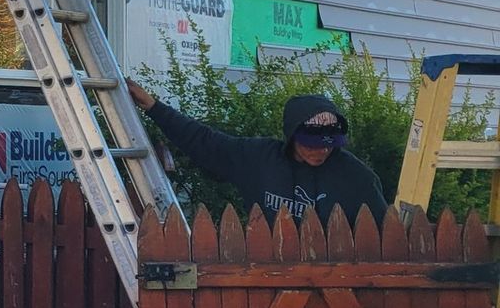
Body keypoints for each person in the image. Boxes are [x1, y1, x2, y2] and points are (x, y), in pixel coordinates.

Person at [126, 81, 388, 225]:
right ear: (292, 135)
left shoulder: (358, 179)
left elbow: (384, 235)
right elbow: (205, 142)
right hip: (268, 281)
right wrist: (154, 107)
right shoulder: (260, 159)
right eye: (312, 143)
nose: (321, 150)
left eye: (328, 143)